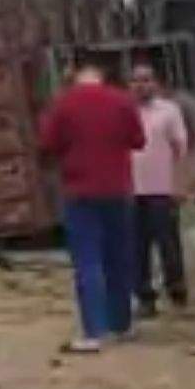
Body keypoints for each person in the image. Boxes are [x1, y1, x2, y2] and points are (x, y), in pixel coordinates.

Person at [38, 58, 145, 353]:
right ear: (102, 73)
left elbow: (47, 144)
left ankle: (93, 332)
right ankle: (121, 324)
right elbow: (138, 140)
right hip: (118, 190)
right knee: (119, 258)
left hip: (80, 191)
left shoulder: (63, 104)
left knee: (88, 261)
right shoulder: (122, 101)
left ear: (74, 74)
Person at [128, 64, 191, 318]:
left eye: (146, 80)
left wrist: (180, 183)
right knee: (137, 247)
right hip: (132, 190)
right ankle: (145, 297)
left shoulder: (169, 111)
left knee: (169, 244)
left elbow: (180, 149)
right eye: (136, 81)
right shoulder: (126, 112)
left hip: (162, 188)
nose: (141, 85)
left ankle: (177, 292)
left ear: (155, 83)